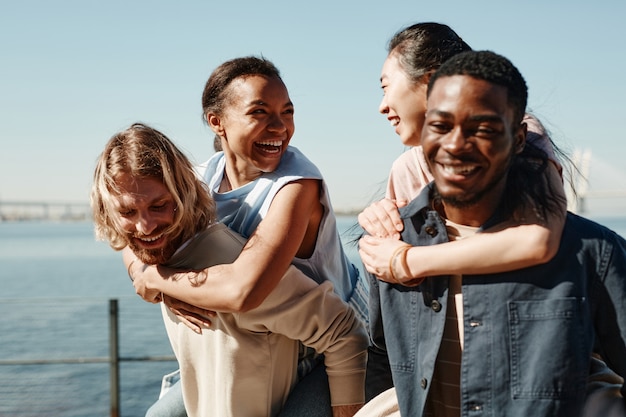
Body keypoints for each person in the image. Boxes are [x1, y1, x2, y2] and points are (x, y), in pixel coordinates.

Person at [361, 49, 626, 416]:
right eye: (440, 125)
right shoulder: (389, 244)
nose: (455, 145)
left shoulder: (593, 254)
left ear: (519, 140)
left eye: (482, 129)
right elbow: (382, 358)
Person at [125, 56, 369, 417]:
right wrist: (140, 272)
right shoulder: (200, 179)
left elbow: (245, 290)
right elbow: (132, 234)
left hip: (325, 345)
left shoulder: (296, 186)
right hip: (257, 343)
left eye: (287, 113)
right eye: (260, 113)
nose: (280, 127)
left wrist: (158, 280)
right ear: (216, 122)